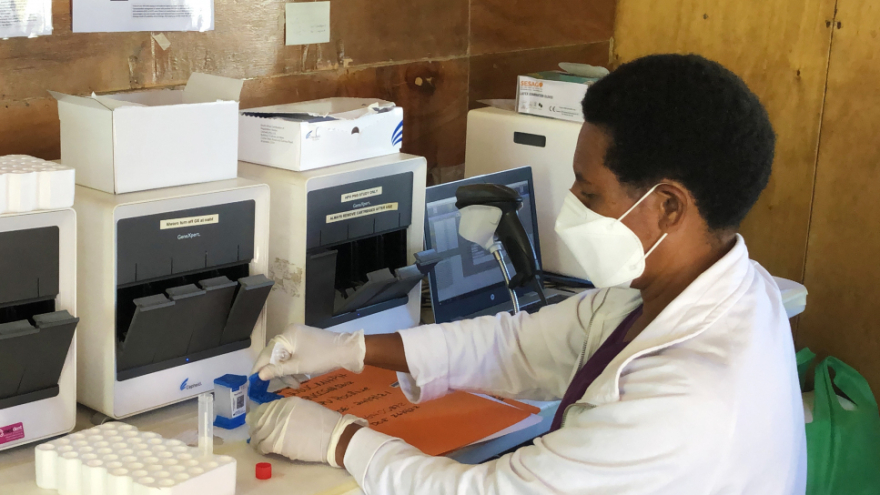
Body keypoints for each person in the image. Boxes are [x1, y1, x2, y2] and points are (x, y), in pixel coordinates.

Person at [247, 54, 807, 494]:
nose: (571, 204)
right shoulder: (686, 292)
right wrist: (353, 348)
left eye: (590, 192)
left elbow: (488, 492)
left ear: (668, 207)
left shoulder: (685, 402)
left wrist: (342, 441)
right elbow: (514, 345)